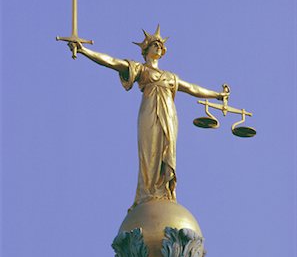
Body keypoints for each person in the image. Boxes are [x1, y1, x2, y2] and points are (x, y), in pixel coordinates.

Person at [68, 25, 229, 208]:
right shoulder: (140, 69)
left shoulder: (170, 77)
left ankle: (165, 190)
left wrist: (217, 95)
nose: (159, 47)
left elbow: (192, 88)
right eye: (155, 44)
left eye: (160, 45)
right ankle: (148, 192)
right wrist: (84, 50)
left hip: (169, 114)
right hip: (150, 111)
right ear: (146, 50)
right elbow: (111, 62)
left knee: (166, 150)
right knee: (150, 152)